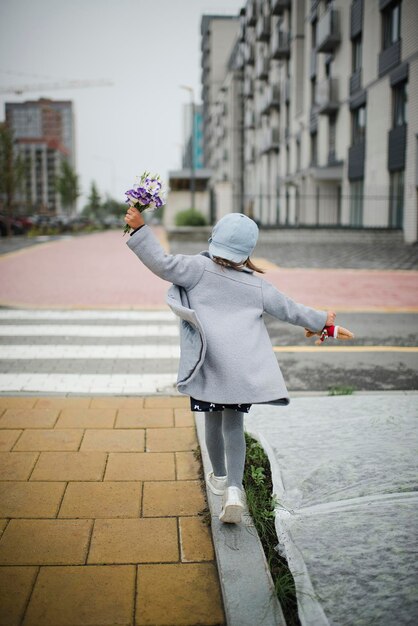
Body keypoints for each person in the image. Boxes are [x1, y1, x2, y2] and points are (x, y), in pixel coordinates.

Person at [125, 209, 335, 524]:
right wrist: (324, 323)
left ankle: (220, 477)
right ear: (249, 252)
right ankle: (235, 490)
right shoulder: (258, 286)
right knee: (234, 426)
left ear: (214, 239)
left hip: (208, 366)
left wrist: (140, 229)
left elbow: (161, 263)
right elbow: (291, 310)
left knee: (212, 422)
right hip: (240, 371)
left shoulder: (196, 268)